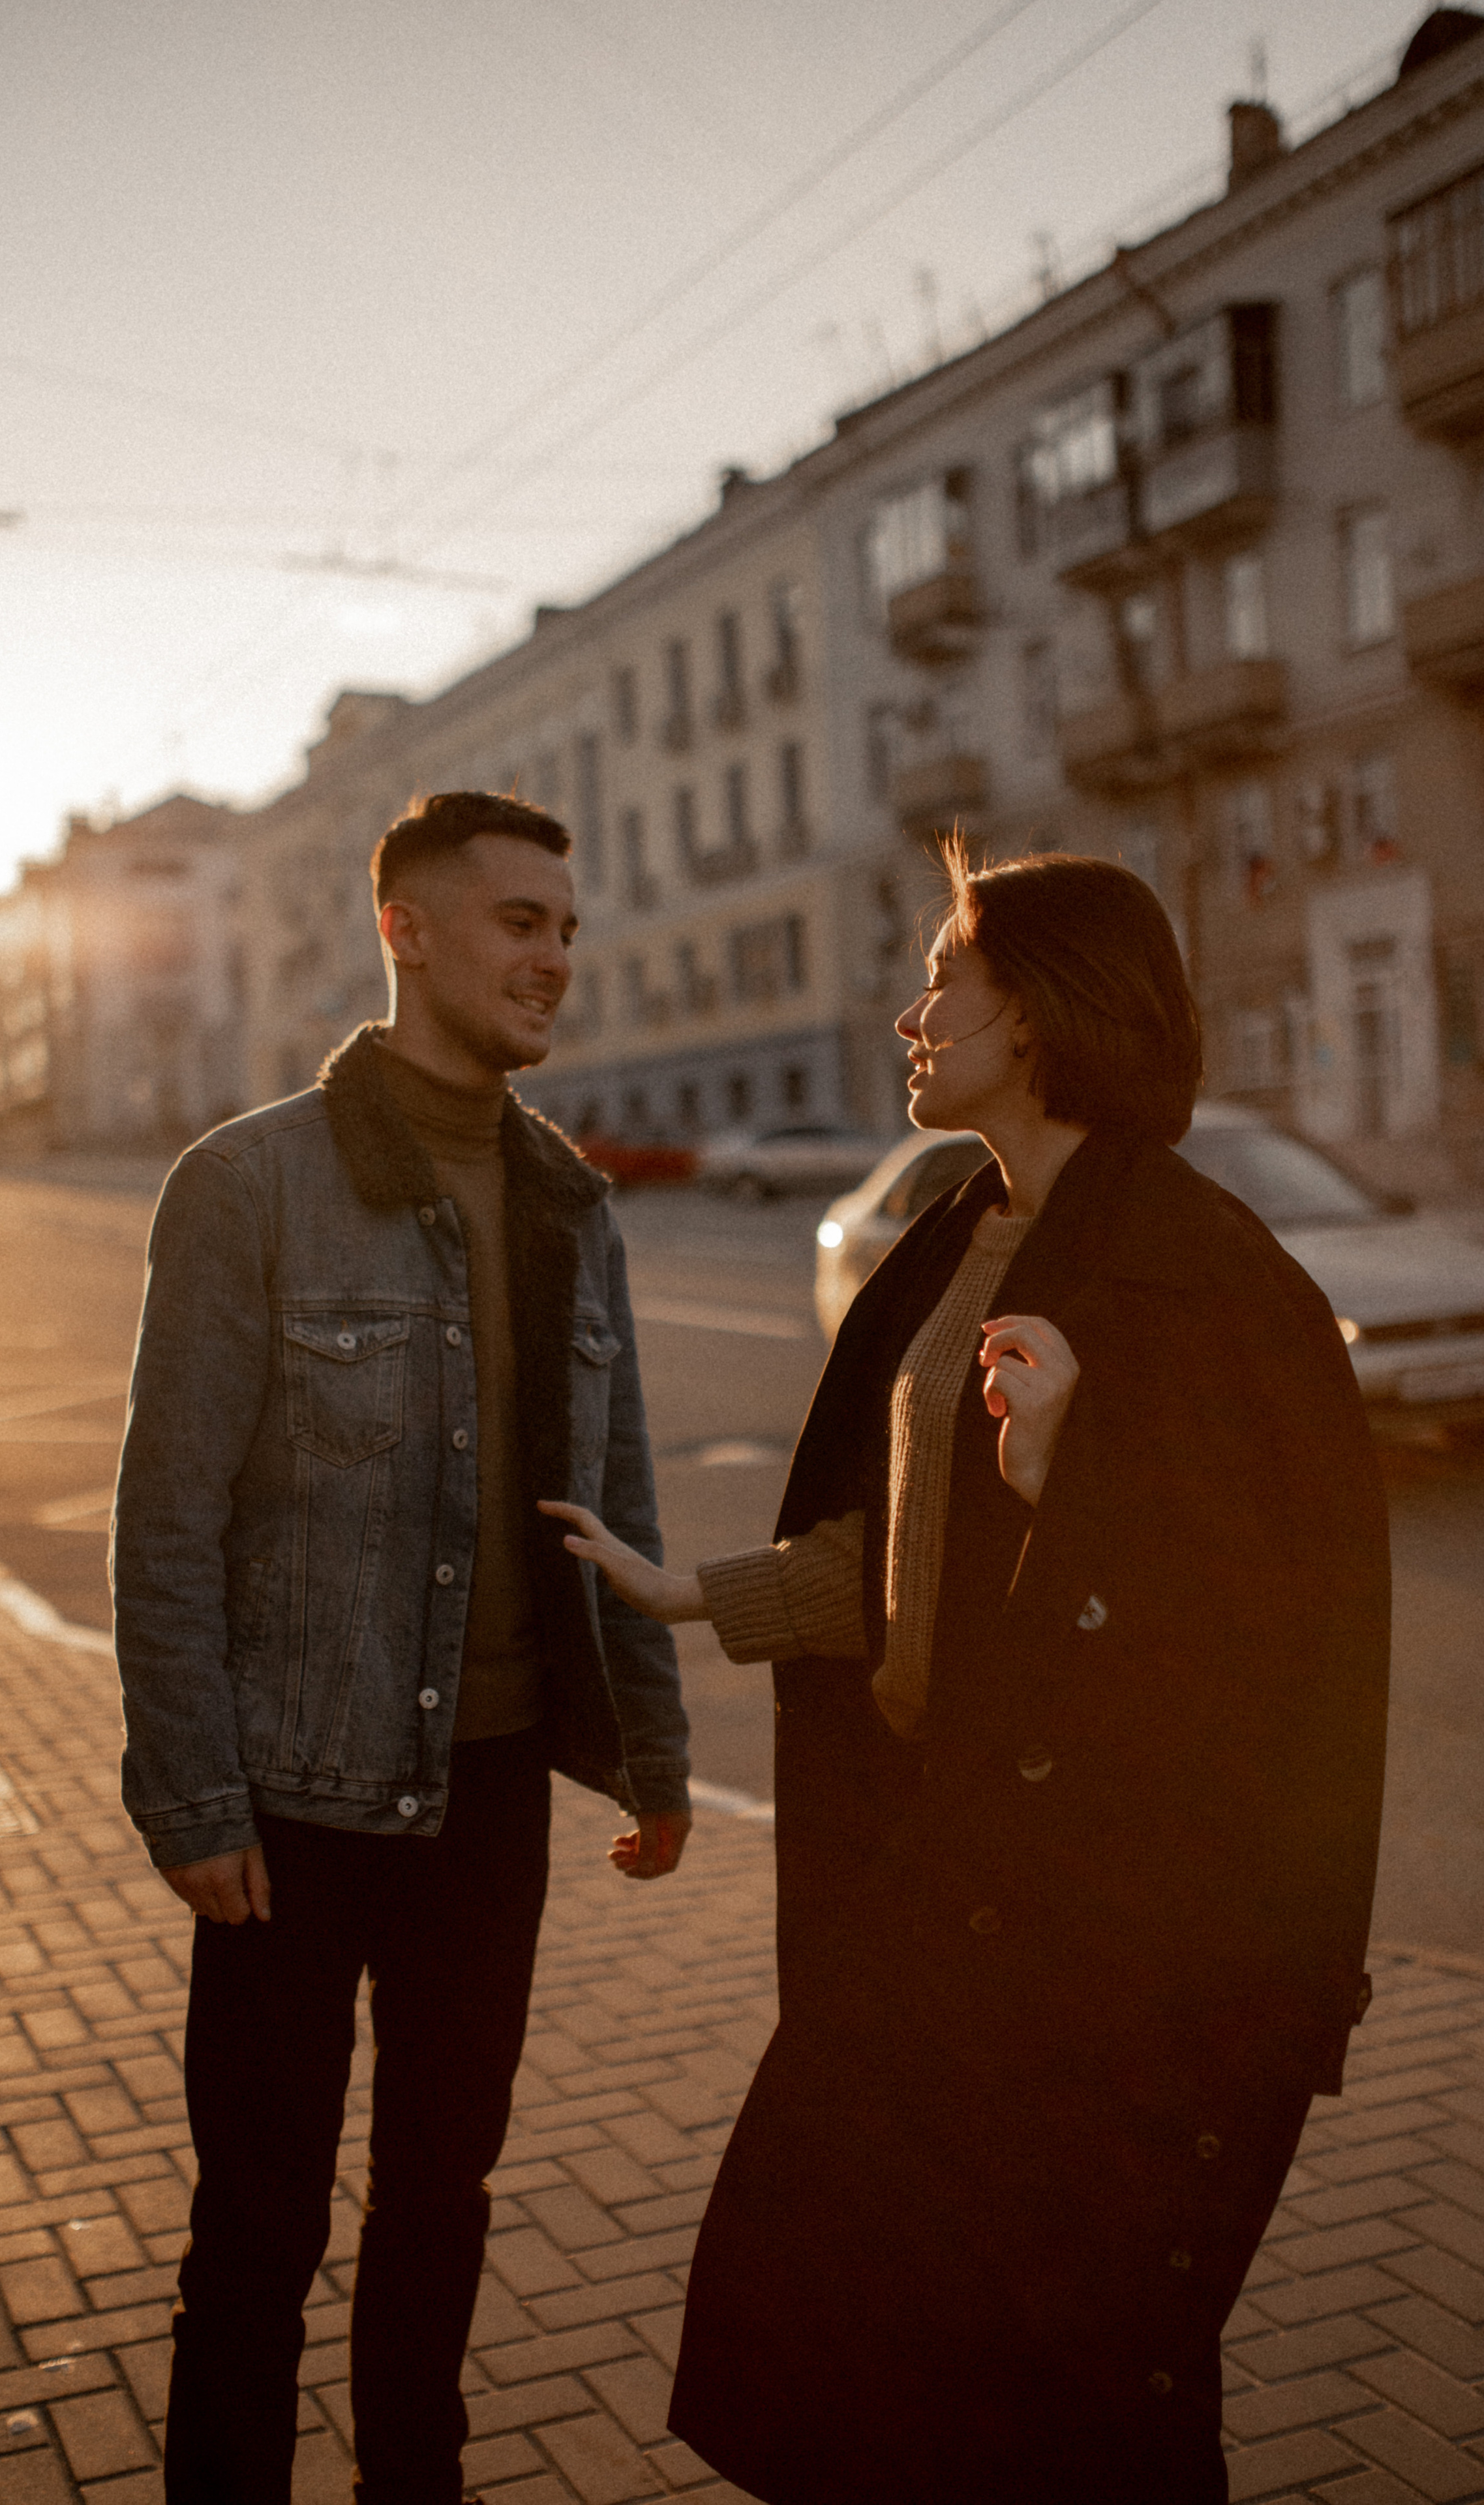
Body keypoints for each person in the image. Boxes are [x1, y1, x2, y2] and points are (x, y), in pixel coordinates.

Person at [543, 845, 1389, 2505]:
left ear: (1045, 1012)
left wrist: (1072, 1479)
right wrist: (685, 1593)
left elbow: (1272, 1644)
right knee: (872, 2349)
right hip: (933, 1878)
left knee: (1079, 2389)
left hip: (1104, 1936)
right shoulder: (955, 1235)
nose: (909, 1012)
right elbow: (893, 1551)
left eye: (945, 975)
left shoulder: (1208, 1277)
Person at [112, 788, 691, 2505]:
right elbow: (168, 1514)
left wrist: (653, 1751)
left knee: (444, 2199)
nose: (554, 959)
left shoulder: (569, 1199)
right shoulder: (250, 1183)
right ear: (406, 932)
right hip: (292, 1801)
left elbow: (619, 1492)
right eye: (520, 922)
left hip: (493, 1796)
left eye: (566, 929)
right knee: (259, 2226)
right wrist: (193, 1792)